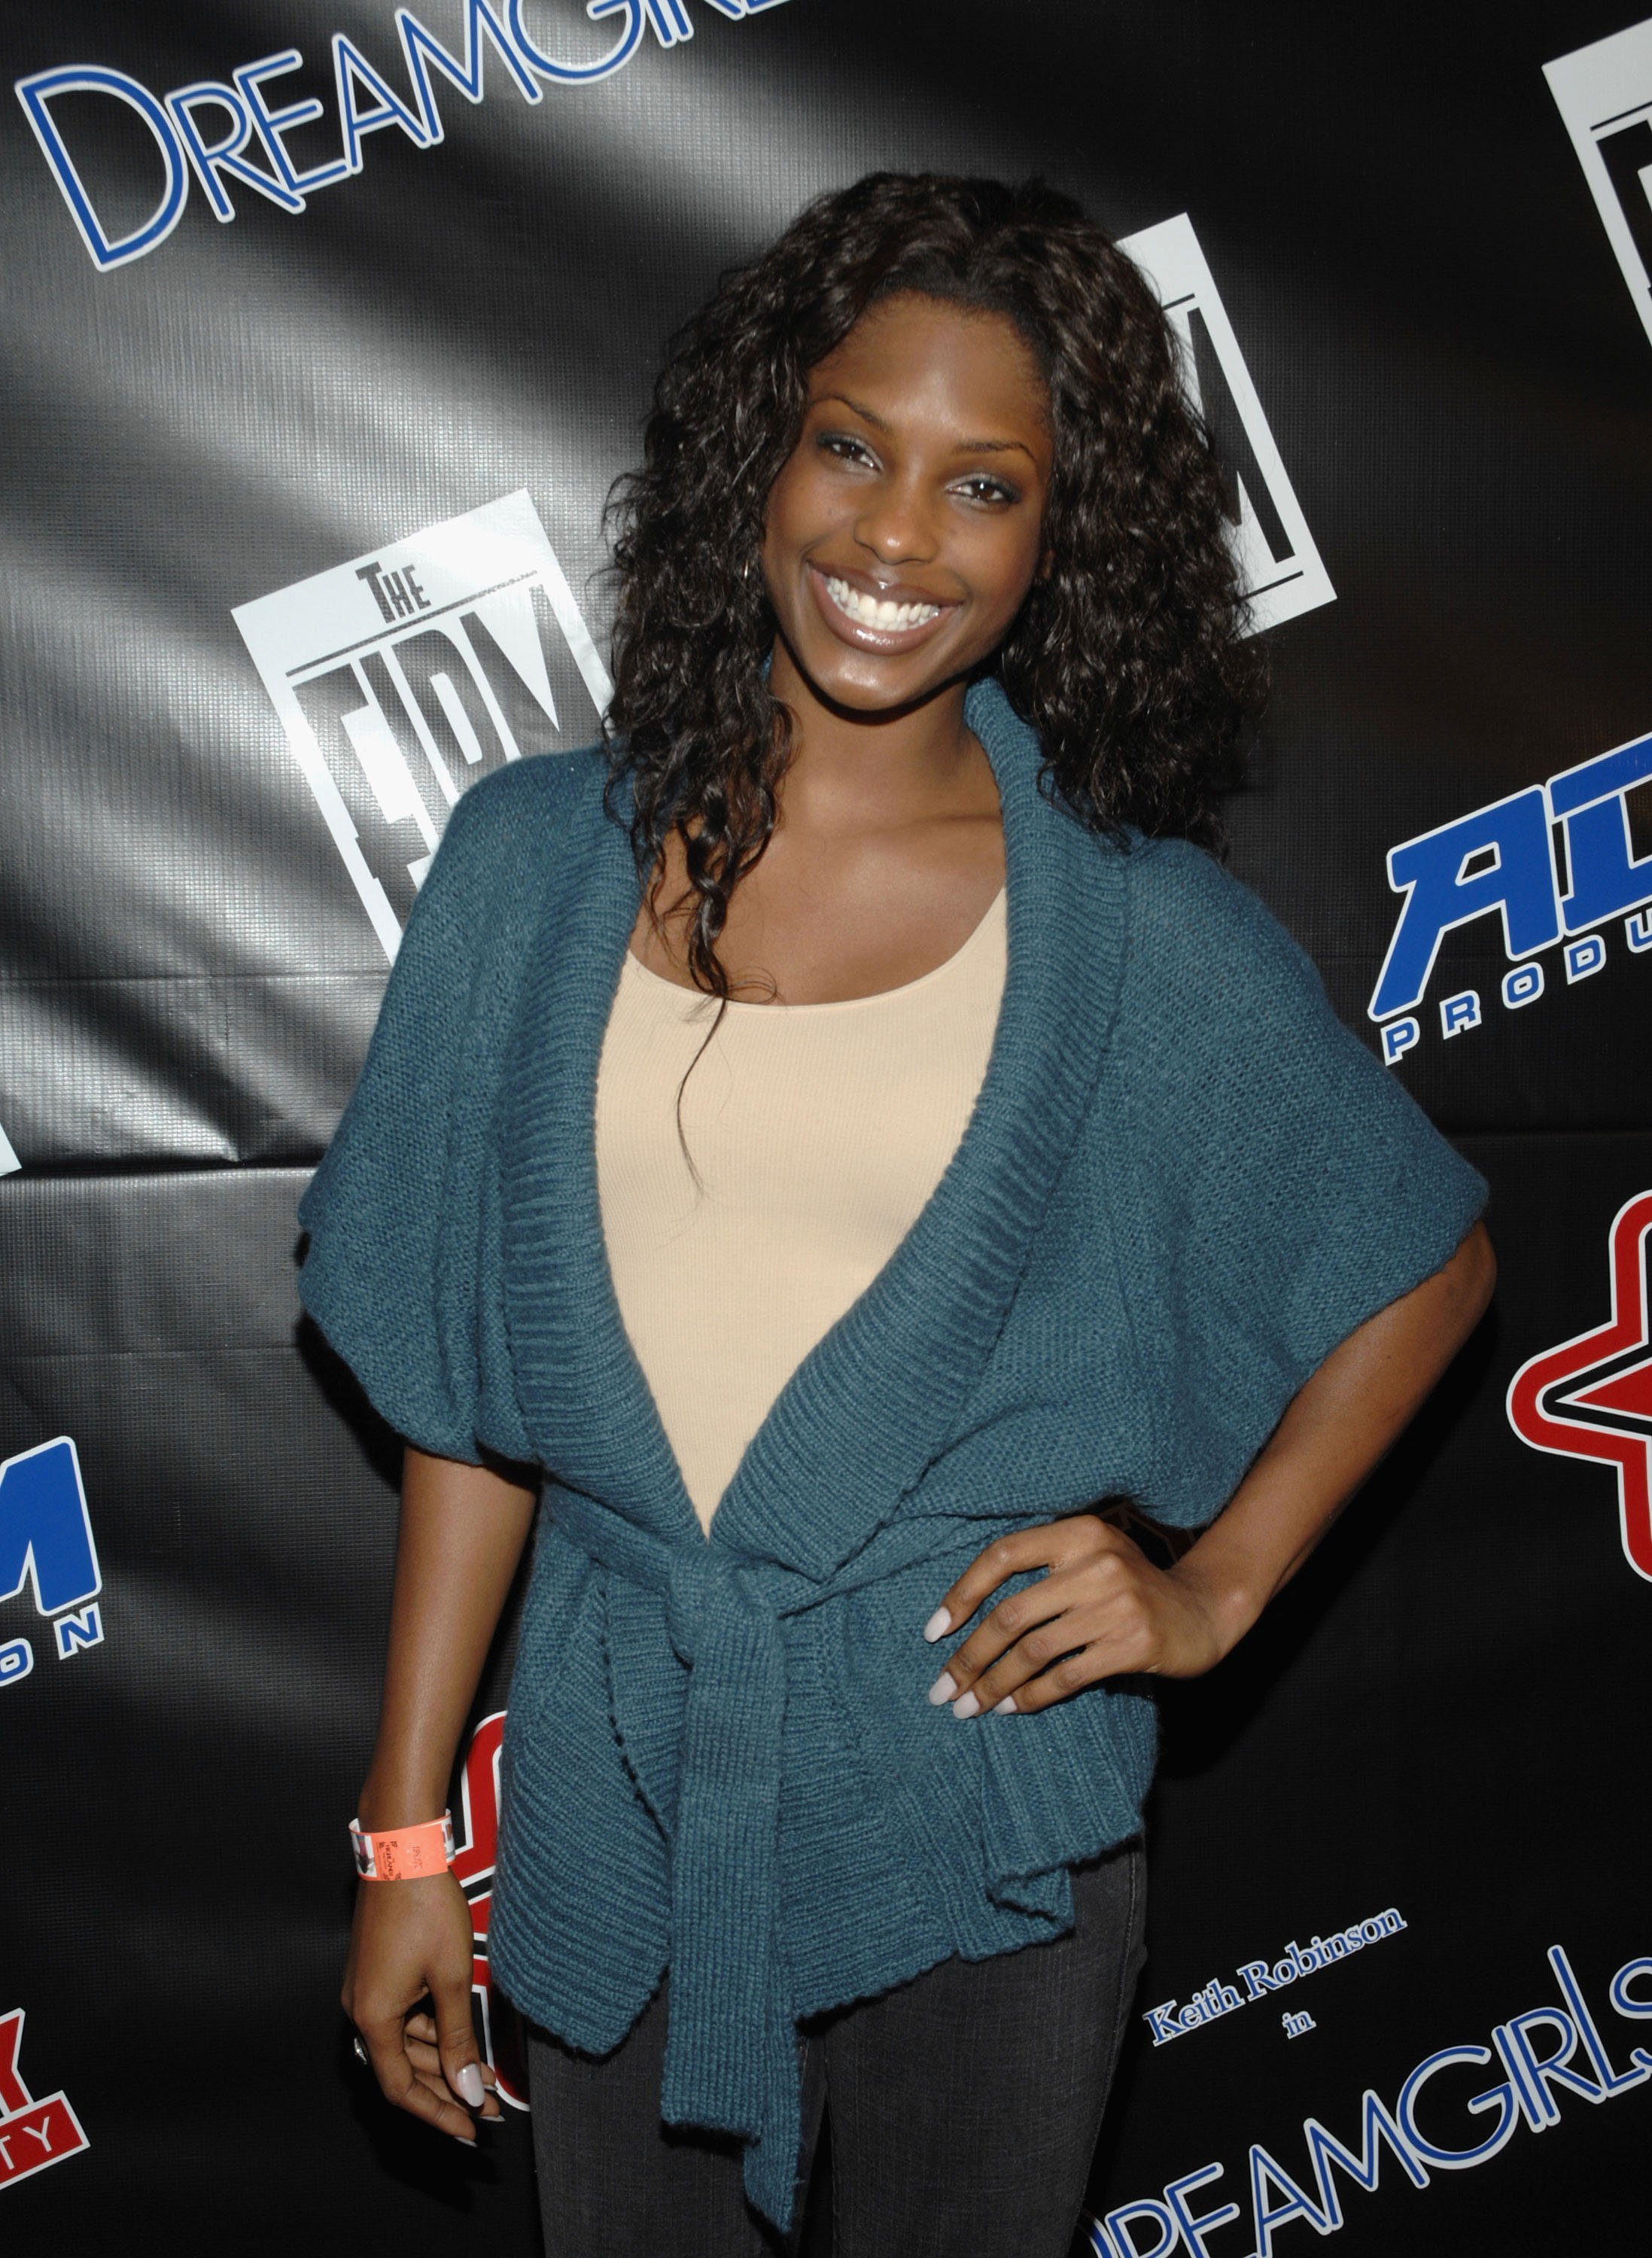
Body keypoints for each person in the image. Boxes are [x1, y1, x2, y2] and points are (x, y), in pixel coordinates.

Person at [297, 173, 1495, 2258]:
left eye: (983, 485)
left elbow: (1424, 1256)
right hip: (626, 1786)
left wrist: (1210, 1594)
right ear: (759, 449)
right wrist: (409, 1835)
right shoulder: (523, 872)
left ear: (1062, 540)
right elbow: (467, 1408)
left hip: (982, 1803)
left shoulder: (1135, 938)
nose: (888, 539)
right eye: (849, 446)